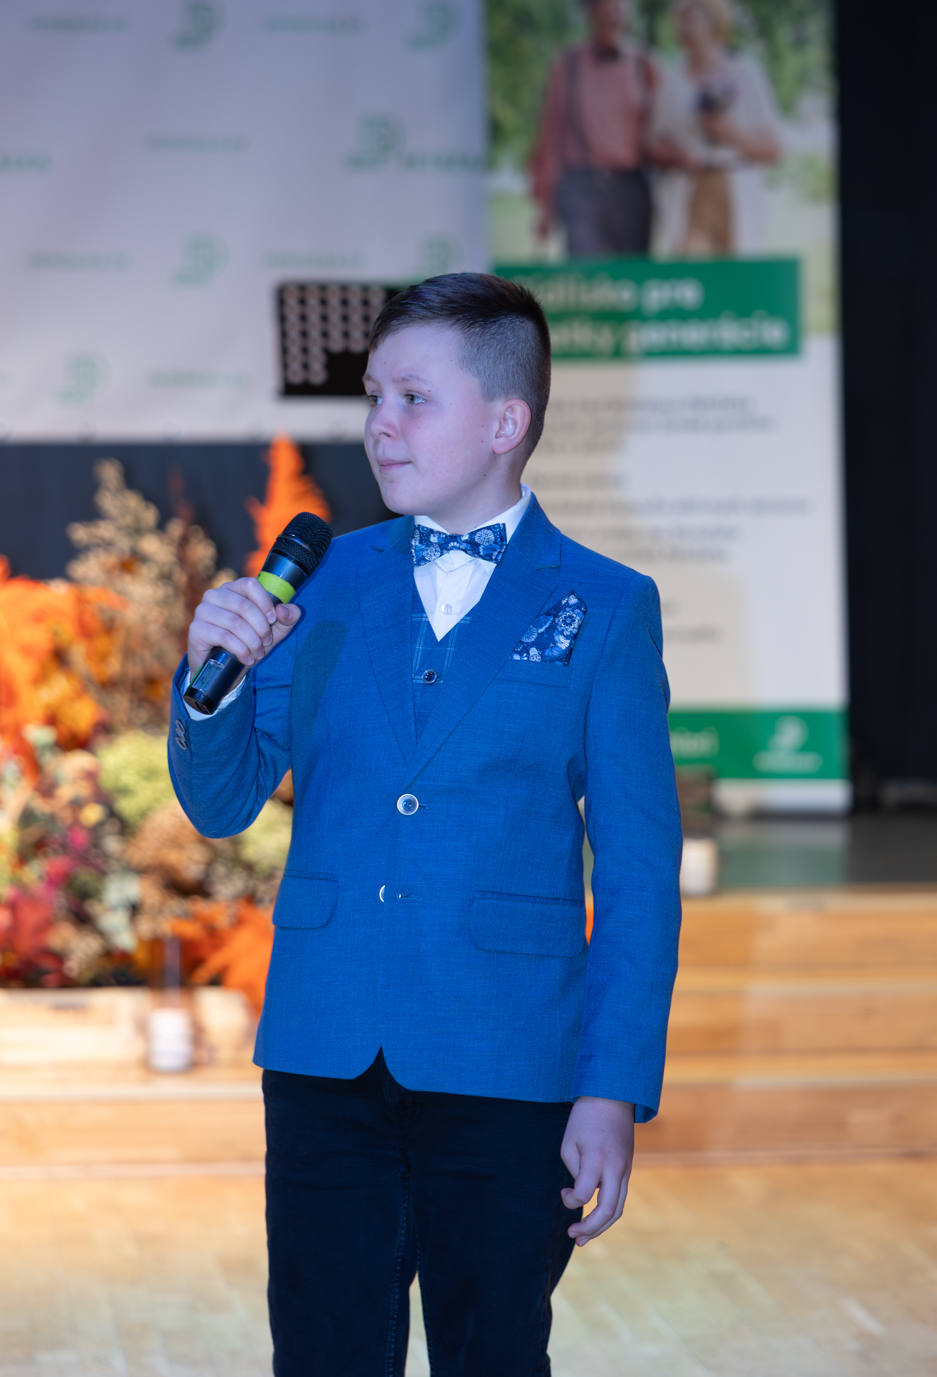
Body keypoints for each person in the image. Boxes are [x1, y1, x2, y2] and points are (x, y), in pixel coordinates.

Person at [168, 273, 682, 1376]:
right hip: (325, 1046)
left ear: (505, 422)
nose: (379, 426)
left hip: (509, 1054)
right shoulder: (321, 583)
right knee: (324, 1352)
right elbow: (221, 800)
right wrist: (210, 682)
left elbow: (640, 874)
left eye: (413, 398)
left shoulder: (605, 605)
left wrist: (610, 1089)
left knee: (493, 1351)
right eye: (372, 397)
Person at [530, 0, 660, 257]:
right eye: (606, 2)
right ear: (589, 9)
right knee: (586, 276)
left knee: (632, 276)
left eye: (622, 1)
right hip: (581, 186)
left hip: (631, 187)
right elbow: (551, 135)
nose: (615, 10)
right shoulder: (568, 64)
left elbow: (664, 128)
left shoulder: (645, 63)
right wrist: (545, 205)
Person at [648, 0, 782, 255]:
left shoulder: (746, 72)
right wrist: (678, 157)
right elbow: (654, 144)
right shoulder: (671, 80)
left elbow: (774, 149)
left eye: (692, 18)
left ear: (715, 22)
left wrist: (731, 134)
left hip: (737, 185)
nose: (684, 27)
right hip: (690, 188)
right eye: (680, 20)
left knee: (739, 273)